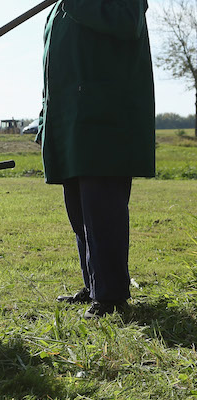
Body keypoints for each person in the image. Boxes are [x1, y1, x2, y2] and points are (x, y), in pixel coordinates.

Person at [39, 0, 155, 319]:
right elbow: (57, 67)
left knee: (103, 209)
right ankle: (95, 285)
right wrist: (45, 117)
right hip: (70, 118)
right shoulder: (58, 9)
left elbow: (128, 22)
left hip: (103, 116)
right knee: (80, 212)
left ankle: (111, 294)